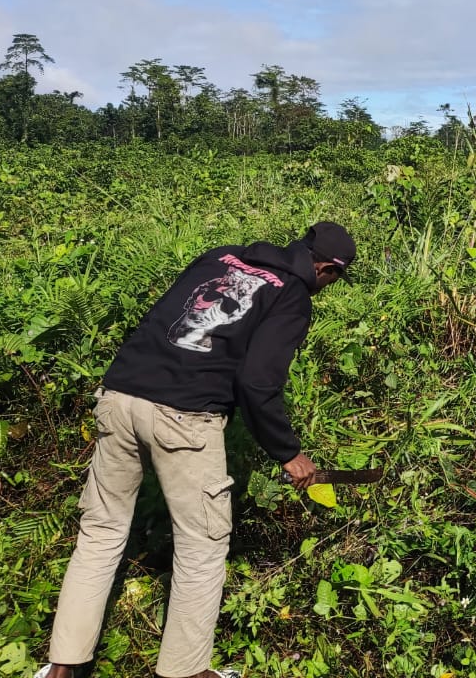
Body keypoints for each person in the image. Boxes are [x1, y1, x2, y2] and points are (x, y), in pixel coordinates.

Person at [36, 222, 357, 678]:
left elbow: (161, 318)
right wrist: (288, 453)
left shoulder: (222, 254)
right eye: (335, 279)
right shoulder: (292, 294)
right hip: (184, 417)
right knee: (201, 547)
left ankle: (62, 667)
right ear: (327, 270)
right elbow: (257, 383)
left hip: (120, 394)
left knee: (101, 531)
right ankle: (186, 671)